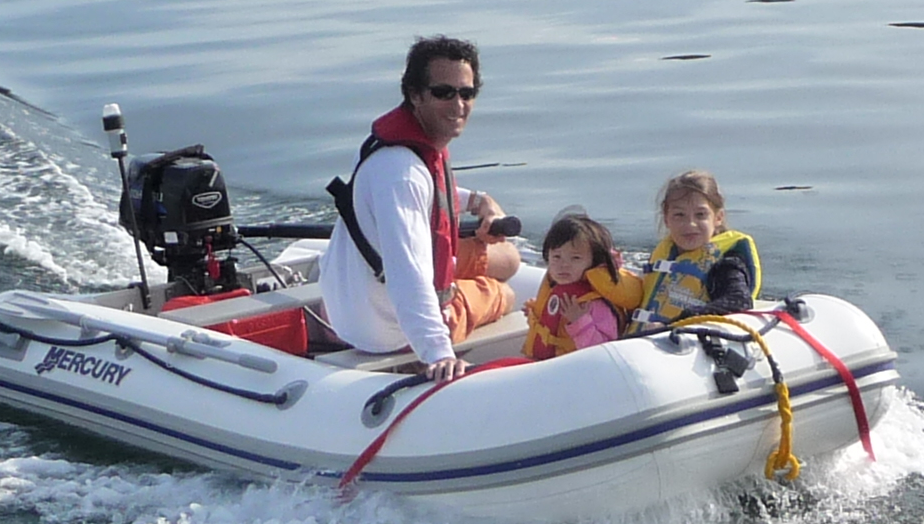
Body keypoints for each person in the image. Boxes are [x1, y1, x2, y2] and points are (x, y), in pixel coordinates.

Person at [318, 35, 520, 383]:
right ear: (415, 95)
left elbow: (429, 194)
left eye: (467, 93)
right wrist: (438, 353)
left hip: (353, 306)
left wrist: (478, 201)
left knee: (510, 259)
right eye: (444, 92)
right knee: (506, 292)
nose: (458, 104)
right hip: (385, 330)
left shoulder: (387, 150)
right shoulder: (403, 175)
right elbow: (407, 275)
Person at [635, 168, 762, 328]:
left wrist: (677, 323)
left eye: (700, 215)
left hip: (682, 338)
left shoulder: (727, 263)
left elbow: (739, 301)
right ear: (666, 219)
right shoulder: (665, 256)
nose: (690, 224)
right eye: (679, 215)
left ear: (718, 218)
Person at [522, 210, 646, 359]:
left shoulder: (595, 304)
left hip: (575, 369)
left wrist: (579, 320)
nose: (564, 264)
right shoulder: (557, 286)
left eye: (575, 258)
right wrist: (537, 310)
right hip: (544, 363)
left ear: (594, 262)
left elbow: (604, 352)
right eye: (556, 256)